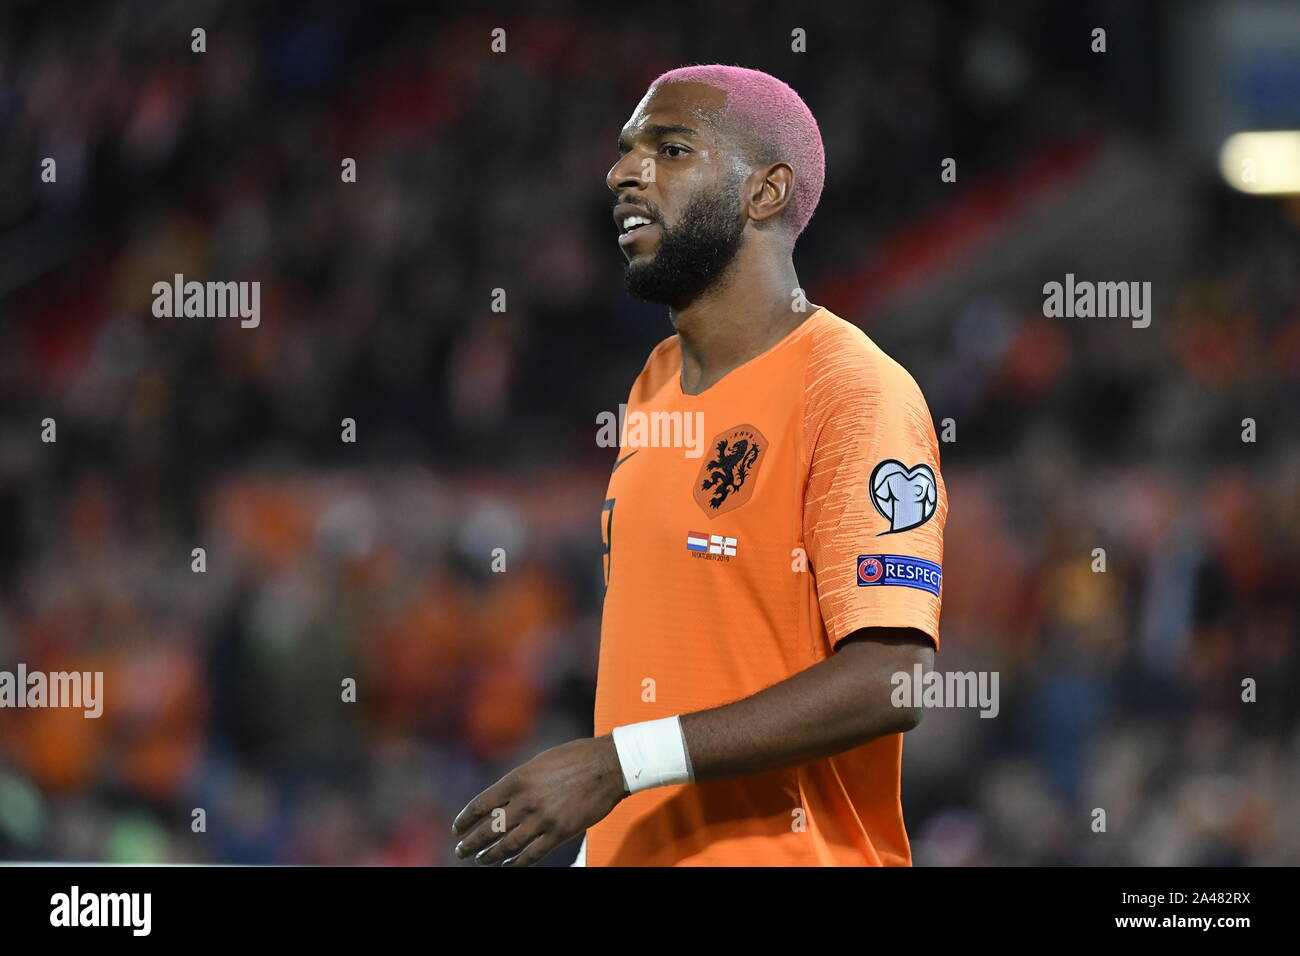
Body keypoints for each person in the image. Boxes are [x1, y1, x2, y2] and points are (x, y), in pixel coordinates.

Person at [452, 64, 947, 866]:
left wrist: (619, 763)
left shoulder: (854, 390)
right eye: (623, 152)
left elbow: (895, 678)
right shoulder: (653, 385)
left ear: (766, 193)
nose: (622, 175)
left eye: (671, 149)